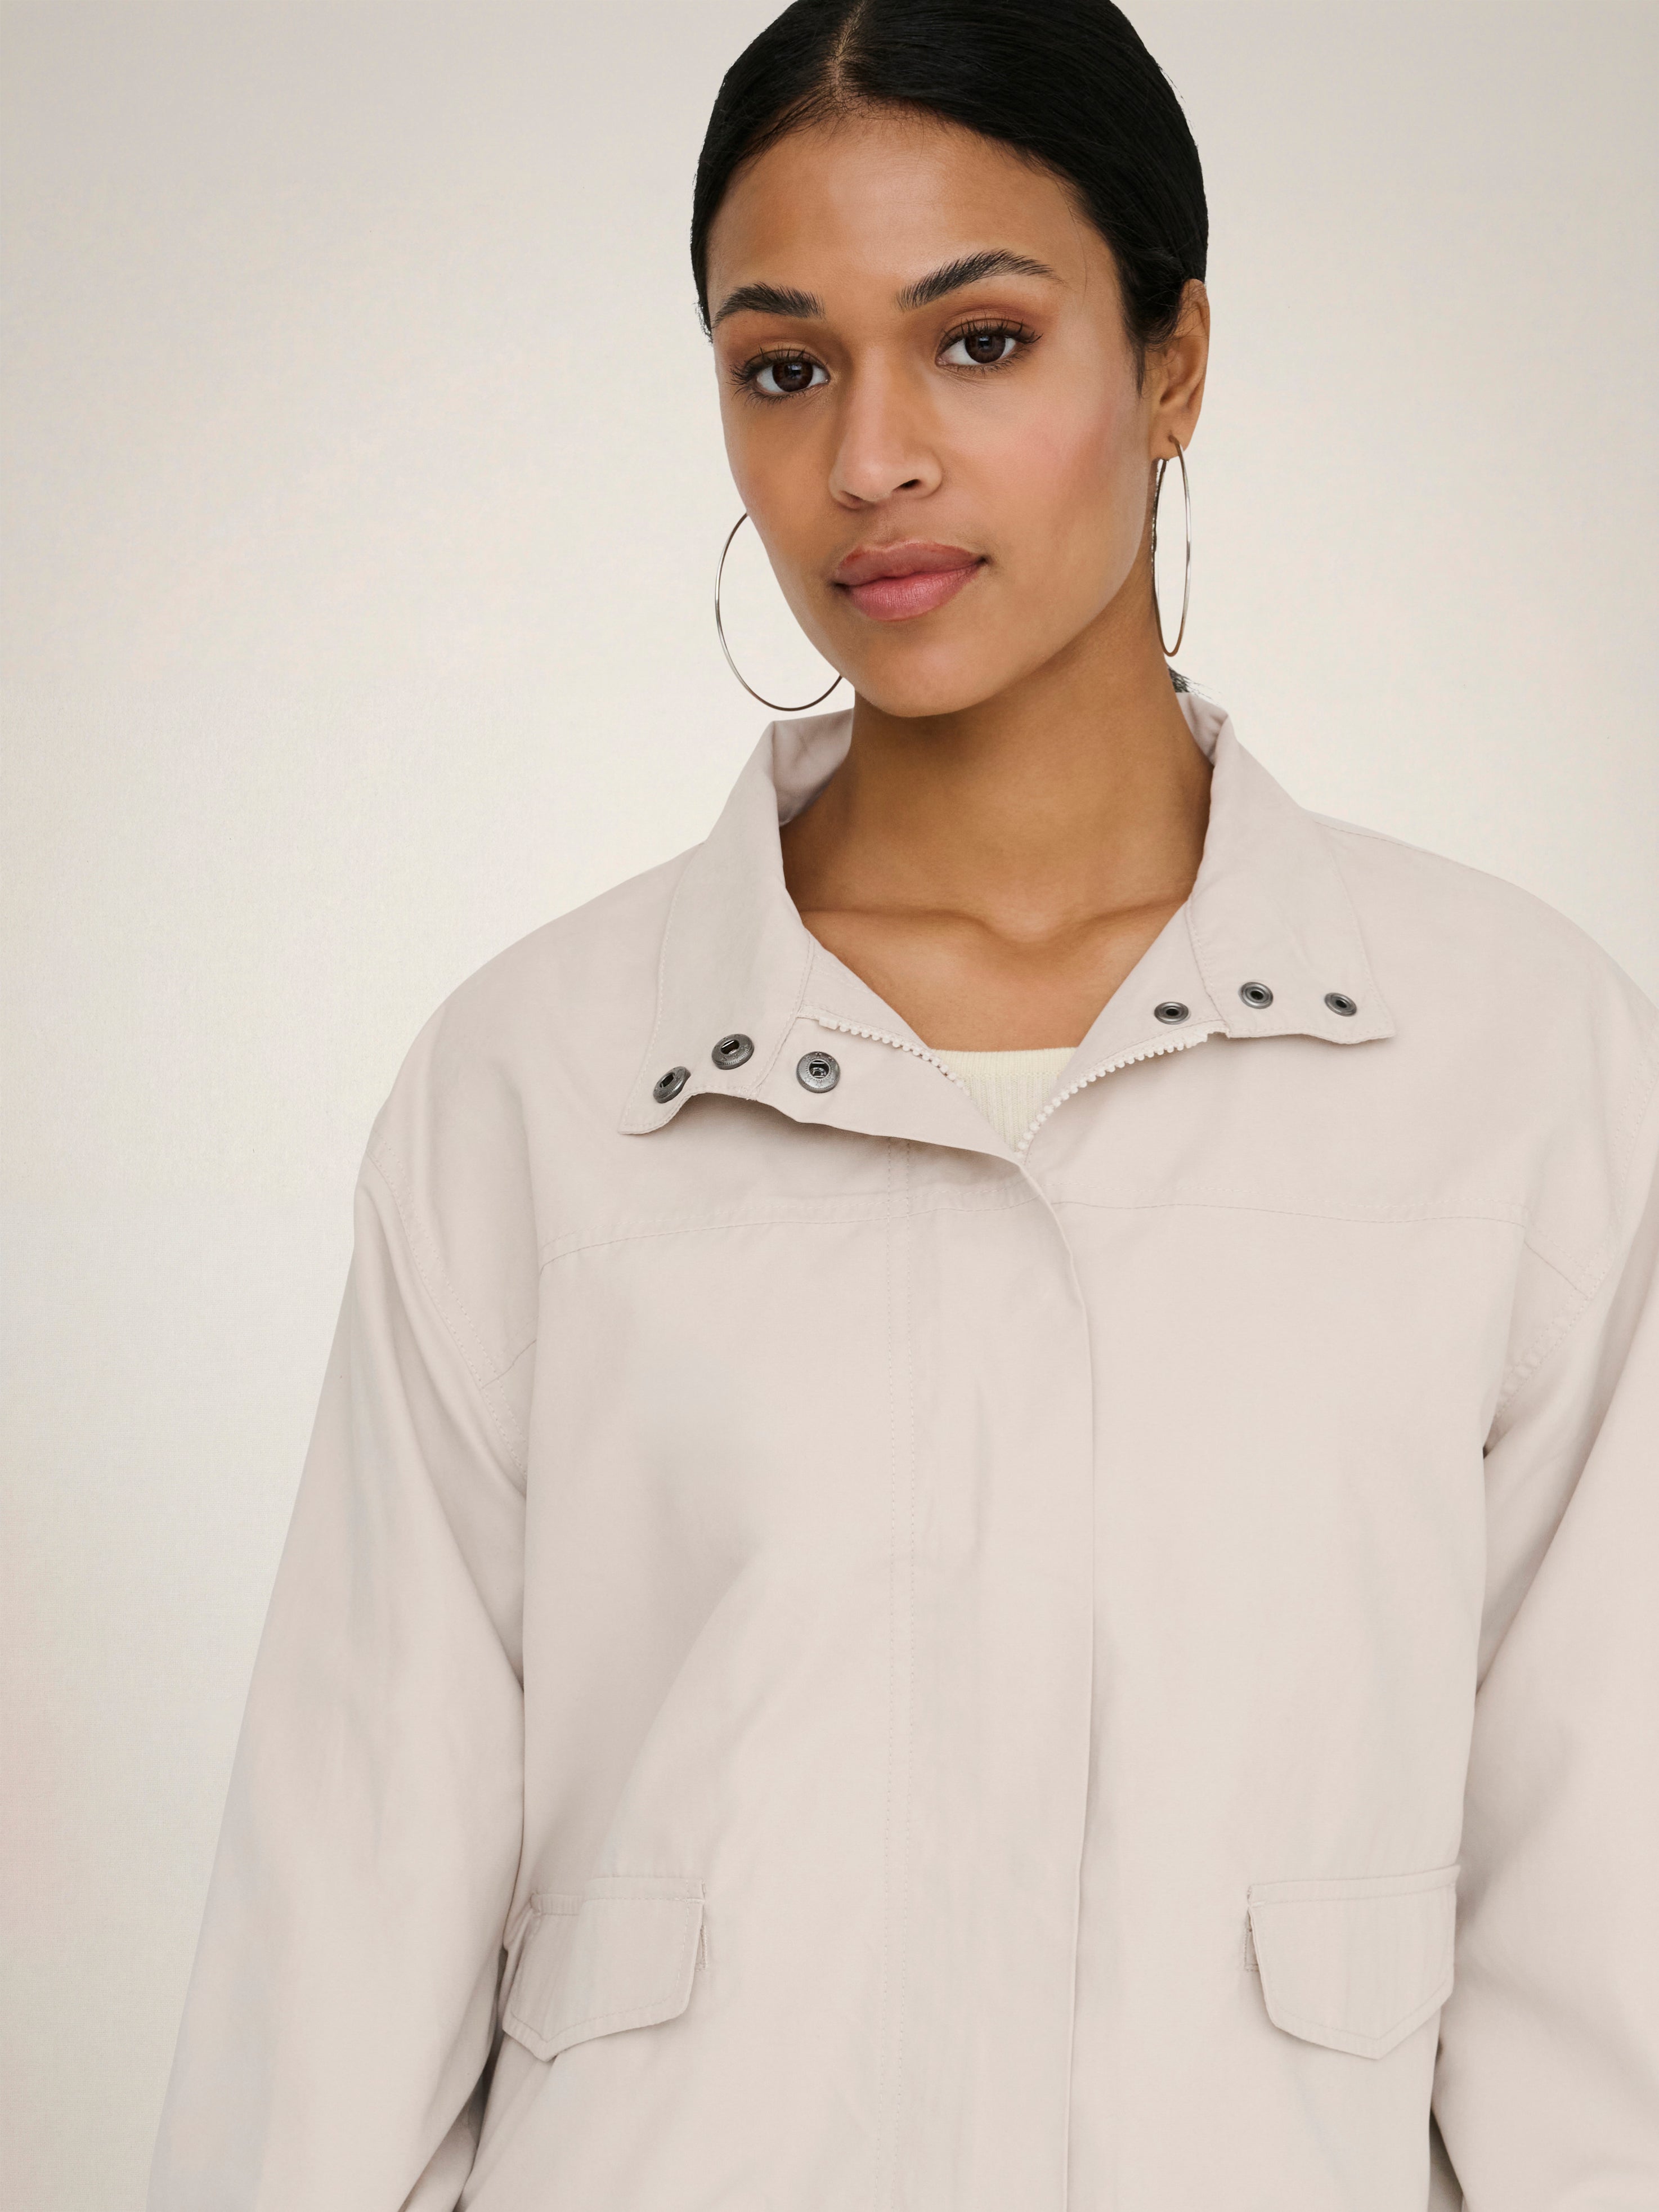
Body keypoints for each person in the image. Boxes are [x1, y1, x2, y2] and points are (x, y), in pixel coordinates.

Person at [149, 3, 1659, 2206]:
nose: (869, 459)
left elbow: (1602, 1981)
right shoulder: (536, 1086)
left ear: (1172, 360)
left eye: (976, 342)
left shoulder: (1508, 1066)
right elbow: (336, 1944)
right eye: (783, 368)